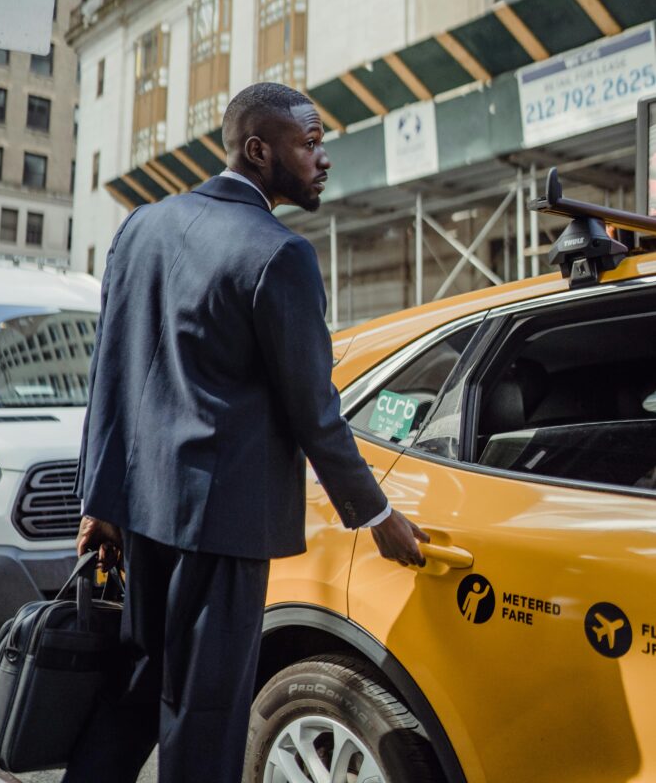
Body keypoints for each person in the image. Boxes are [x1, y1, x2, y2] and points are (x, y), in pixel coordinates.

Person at [64, 82, 428, 783]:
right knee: (205, 717)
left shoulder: (143, 224)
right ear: (259, 150)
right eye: (311, 143)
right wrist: (376, 515)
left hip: (141, 514)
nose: (323, 159)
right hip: (223, 527)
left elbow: (109, 370)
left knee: (138, 688)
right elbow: (313, 411)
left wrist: (100, 501)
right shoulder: (277, 253)